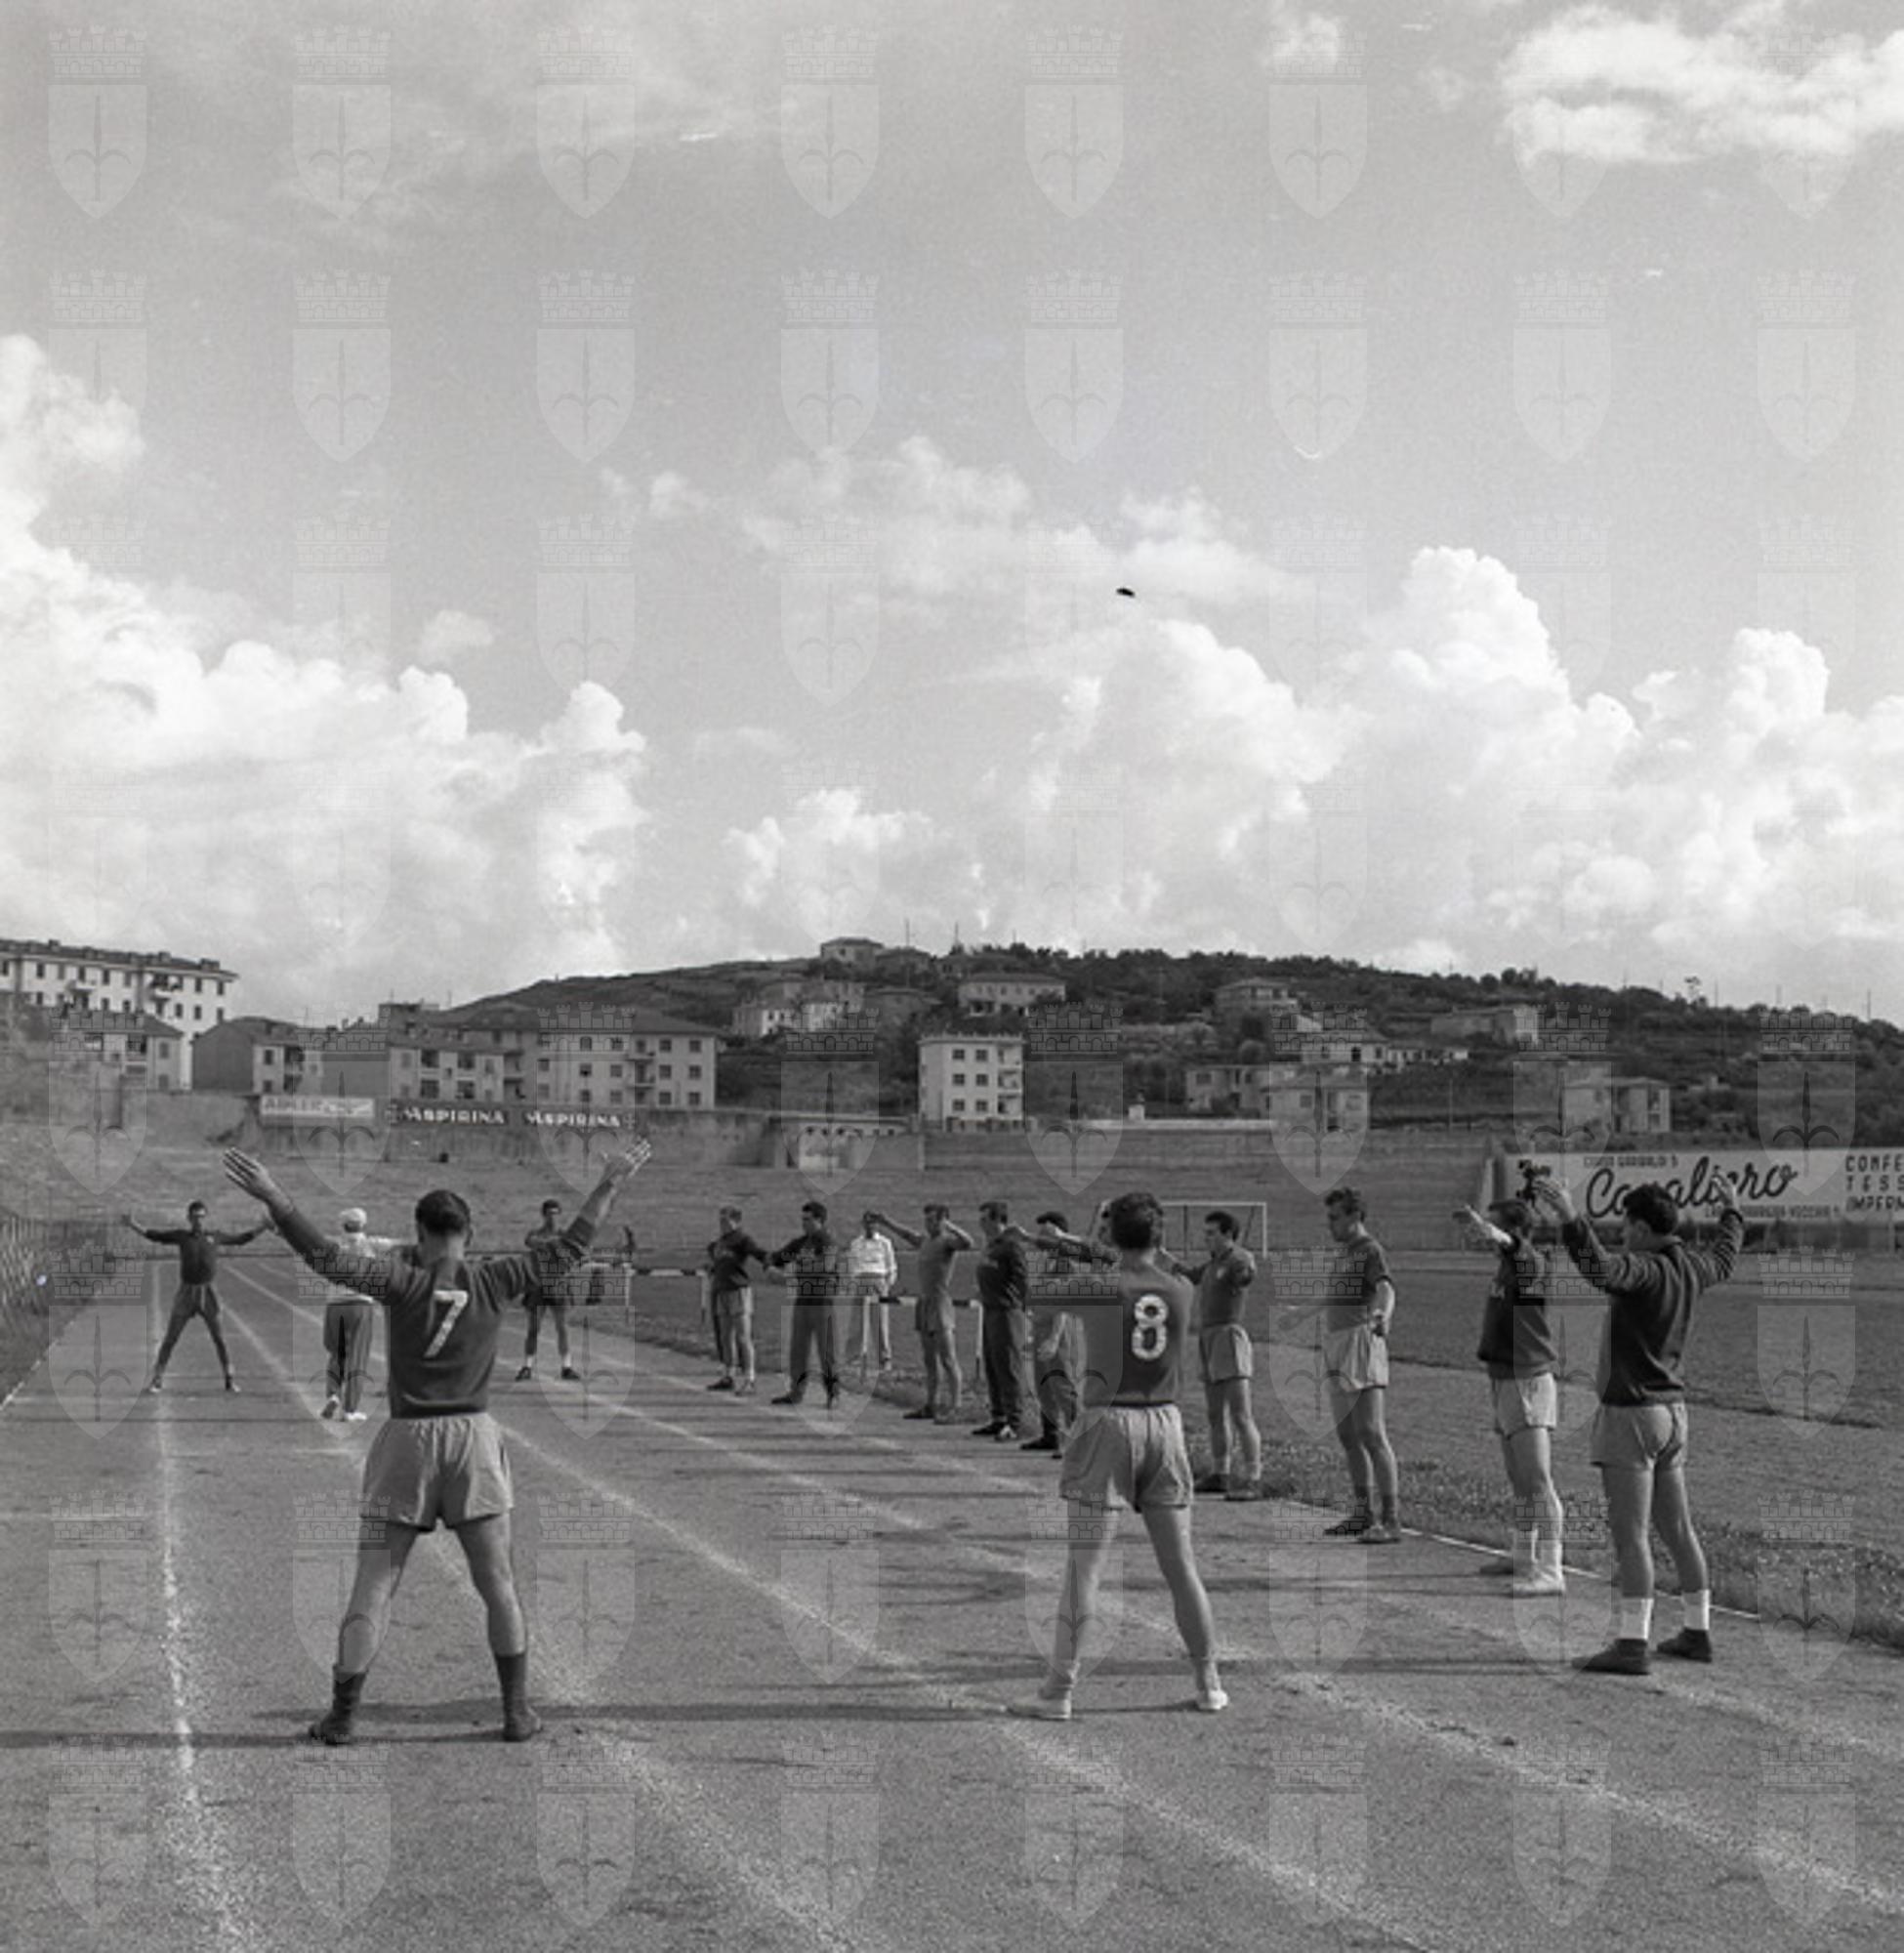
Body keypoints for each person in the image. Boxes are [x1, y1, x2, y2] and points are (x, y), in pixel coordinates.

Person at [221, 1140, 650, 1745]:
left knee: (373, 1583)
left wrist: (275, 1197)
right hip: (474, 1439)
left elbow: (326, 1259)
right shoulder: (497, 1277)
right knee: (497, 1583)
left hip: (407, 1441)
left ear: (419, 1235)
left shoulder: (401, 1280)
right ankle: (516, 1713)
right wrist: (608, 1183)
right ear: (469, 1235)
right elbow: (574, 1247)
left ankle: (342, 1717)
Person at [1010, 1189, 1226, 1720]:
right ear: (1159, 1236)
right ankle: (1209, 1682)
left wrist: (1084, 1243)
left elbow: (1040, 1297)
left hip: (1107, 1423)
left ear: (1112, 1235)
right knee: (1181, 1567)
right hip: (1166, 1426)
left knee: (1084, 1569)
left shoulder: (1099, 1285)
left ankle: (1058, 1691)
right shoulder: (1180, 1289)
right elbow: (1164, 1271)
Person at [1532, 1171, 1744, 1675]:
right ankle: (1697, 1631)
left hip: (1632, 1414)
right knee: (1678, 1528)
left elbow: (1602, 1270)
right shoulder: (1693, 1266)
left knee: (1630, 1534)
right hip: (1673, 1413)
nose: (1623, 1235)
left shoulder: (1646, 1269)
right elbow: (1725, 1256)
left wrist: (1570, 1218)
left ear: (1645, 1229)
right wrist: (1732, 1212)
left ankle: (1631, 1643)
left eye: (1627, 1227)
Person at [1279, 1187, 1400, 1544]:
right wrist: (1302, 1314)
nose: (1329, 1224)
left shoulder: (1369, 1250)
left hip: (1359, 1341)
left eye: (1335, 1218)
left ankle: (1391, 1518)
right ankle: (1363, 1512)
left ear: (1354, 1216)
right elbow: (1335, 1296)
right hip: (1336, 1343)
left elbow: (1386, 1288)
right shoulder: (1345, 1253)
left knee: (1372, 1433)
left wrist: (1383, 1314)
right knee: (1348, 1435)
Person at [1456, 1197, 1564, 1595]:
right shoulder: (1508, 1265)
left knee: (1538, 1479)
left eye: (1493, 1227)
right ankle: (1523, 1554)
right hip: (1503, 1378)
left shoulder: (1530, 1261)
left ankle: (1551, 1569)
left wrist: (1494, 1233)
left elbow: (1515, 1246)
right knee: (1519, 1478)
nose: (1485, 1235)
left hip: (1526, 1380)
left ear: (1513, 1231)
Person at [127, 1200, 268, 1394]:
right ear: (189, 1218)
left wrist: (263, 1227)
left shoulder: (214, 1236)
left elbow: (241, 1239)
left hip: (208, 1292)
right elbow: (156, 1236)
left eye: (201, 1216)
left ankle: (229, 1379)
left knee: (219, 1338)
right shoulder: (182, 1236)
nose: (198, 1220)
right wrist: (133, 1224)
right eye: (195, 1217)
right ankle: (157, 1379)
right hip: (186, 1292)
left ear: (205, 1217)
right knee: (171, 1338)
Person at [1184, 1211, 1263, 1501]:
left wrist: (1245, 1273)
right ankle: (1221, 1472)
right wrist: (1165, 1259)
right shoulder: (1212, 1264)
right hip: (1208, 1336)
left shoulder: (1237, 1259)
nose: (1206, 1238)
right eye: (1205, 1232)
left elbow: (1245, 1275)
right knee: (1214, 1413)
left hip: (1228, 1336)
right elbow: (1191, 1275)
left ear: (1228, 1234)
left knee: (1241, 1414)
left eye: (1212, 1233)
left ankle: (1253, 1477)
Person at [870, 1205, 973, 1423]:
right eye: (926, 1220)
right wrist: (886, 1221)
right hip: (924, 1303)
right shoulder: (925, 1241)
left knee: (948, 1359)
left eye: (933, 1220)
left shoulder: (947, 1242)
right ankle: (931, 1404)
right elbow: (906, 1234)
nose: (928, 1224)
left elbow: (968, 1243)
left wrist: (950, 1226)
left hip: (940, 1304)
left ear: (942, 1221)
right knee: (929, 1359)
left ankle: (956, 1407)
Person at [321, 1207, 397, 1423]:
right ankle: (350, 1409)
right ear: (363, 1224)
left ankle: (333, 1394)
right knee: (357, 1356)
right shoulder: (373, 1243)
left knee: (336, 1353)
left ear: (342, 1225)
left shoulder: (333, 1244)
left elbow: (306, 1241)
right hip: (360, 1304)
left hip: (334, 1304)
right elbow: (401, 1245)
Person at [1018, 1210, 1085, 1454]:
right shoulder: (1046, 1260)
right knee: (1043, 1385)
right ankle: (1051, 1434)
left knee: (1061, 1384)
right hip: (1040, 1326)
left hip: (1058, 1328)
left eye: (1046, 1233)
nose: (1040, 1238)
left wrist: (1055, 1337)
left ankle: (1078, 1439)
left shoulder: (1065, 1261)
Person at [767, 1200, 844, 1409]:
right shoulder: (800, 1243)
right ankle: (796, 1391)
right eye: (802, 1219)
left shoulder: (827, 1241)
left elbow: (825, 1266)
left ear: (820, 1220)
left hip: (822, 1301)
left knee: (826, 1351)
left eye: (808, 1220)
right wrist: (769, 1265)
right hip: (802, 1301)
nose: (804, 1223)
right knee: (798, 1350)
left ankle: (833, 1393)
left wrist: (790, 1276)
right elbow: (777, 1257)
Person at [972, 1199, 1032, 1441]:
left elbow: (1022, 1279)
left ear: (998, 1220)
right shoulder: (991, 1246)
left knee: (1008, 1365)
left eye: (985, 1219)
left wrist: (1024, 1306)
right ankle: (998, 1417)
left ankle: (1015, 1421)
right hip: (990, 1310)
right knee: (992, 1365)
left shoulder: (1011, 1247)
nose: (981, 1224)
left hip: (1007, 1311)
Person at [518, 1198, 581, 1384]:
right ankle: (527, 1366)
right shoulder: (536, 1235)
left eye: (556, 1214)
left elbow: (573, 1255)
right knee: (533, 1328)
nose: (553, 1218)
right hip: (538, 1285)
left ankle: (566, 1366)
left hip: (558, 1285)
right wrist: (553, 1245)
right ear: (543, 1215)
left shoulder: (565, 1236)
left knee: (562, 1327)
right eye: (549, 1214)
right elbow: (530, 1242)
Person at [706, 1206, 767, 1394]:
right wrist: (712, 1269)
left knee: (743, 1336)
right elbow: (719, 1262)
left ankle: (750, 1378)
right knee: (725, 1336)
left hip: (738, 1290)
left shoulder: (742, 1239)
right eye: (720, 1221)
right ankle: (728, 1375)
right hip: (722, 1290)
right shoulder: (720, 1242)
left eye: (726, 1221)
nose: (722, 1224)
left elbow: (757, 1252)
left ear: (736, 1221)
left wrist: (770, 1261)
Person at [845, 1210, 898, 1382]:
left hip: (878, 1280)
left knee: (880, 1322)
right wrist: (853, 1282)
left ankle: (885, 1359)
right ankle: (853, 1358)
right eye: (867, 1223)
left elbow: (891, 1267)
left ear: (877, 1225)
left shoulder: (885, 1243)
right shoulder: (856, 1244)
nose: (870, 1226)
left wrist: (887, 1285)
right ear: (863, 1224)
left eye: (873, 1223)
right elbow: (852, 1265)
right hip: (861, 1280)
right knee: (858, 1322)